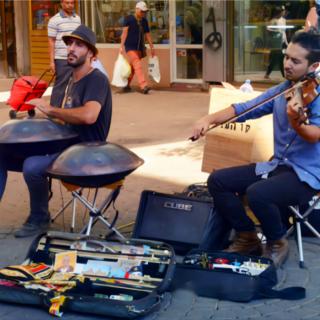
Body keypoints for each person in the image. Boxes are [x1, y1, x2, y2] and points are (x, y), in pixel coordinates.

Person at [191, 31, 320, 268]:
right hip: (278, 165)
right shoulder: (284, 90)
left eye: (296, 61)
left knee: (258, 193)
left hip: (307, 176)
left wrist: (295, 121)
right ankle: (247, 236)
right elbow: (245, 108)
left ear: (315, 65)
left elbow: (314, 136)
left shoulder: (316, 95)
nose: (287, 64)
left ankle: (277, 242)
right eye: (286, 57)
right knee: (218, 181)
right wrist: (208, 119)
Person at [0, 25, 112, 238]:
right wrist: (35, 116)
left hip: (85, 149)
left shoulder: (97, 79)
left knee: (32, 165)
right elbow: (59, 115)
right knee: (2, 151)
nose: (71, 48)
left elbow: (89, 115)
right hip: (62, 142)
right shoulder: (68, 78)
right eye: (69, 43)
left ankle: (39, 218)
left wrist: (51, 109)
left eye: (79, 45)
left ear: (92, 54)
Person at [48, 0, 81, 107]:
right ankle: (53, 112)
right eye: (67, 3)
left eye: (72, 3)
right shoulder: (54, 20)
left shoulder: (77, 18)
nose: (70, 5)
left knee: (76, 86)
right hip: (62, 58)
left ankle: (71, 110)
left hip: (77, 57)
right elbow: (51, 41)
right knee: (60, 86)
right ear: (61, 3)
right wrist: (52, 61)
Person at [119, 1, 155, 94]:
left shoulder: (144, 21)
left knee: (133, 67)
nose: (143, 13)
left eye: (145, 12)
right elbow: (124, 33)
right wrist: (121, 46)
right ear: (137, 9)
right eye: (142, 11)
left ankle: (126, 84)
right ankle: (143, 86)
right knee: (137, 65)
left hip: (139, 47)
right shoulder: (129, 19)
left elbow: (148, 35)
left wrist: (152, 47)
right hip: (130, 47)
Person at [264, 6, 288, 80]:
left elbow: (284, 31)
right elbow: (268, 30)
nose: (283, 12)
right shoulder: (273, 20)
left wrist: (286, 42)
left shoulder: (284, 20)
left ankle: (269, 74)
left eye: (283, 10)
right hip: (276, 42)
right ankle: (282, 75)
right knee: (277, 57)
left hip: (282, 40)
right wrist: (277, 32)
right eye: (282, 11)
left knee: (279, 57)